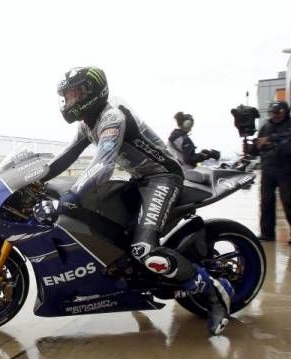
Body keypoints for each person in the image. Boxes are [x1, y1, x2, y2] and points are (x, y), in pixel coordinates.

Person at [33, 66, 234, 335]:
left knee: (143, 249)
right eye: (66, 96)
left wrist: (69, 196)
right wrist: (36, 179)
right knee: (103, 223)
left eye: (74, 94)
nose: (69, 101)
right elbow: (67, 156)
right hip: (139, 178)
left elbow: (102, 166)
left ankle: (214, 292)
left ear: (92, 92)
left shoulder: (112, 117)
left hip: (162, 177)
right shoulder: (88, 122)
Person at [245, 101, 291, 243]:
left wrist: (270, 140)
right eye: (273, 113)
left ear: (285, 112)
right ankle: (267, 233)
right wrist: (250, 148)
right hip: (268, 170)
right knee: (266, 202)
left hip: (286, 170)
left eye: (278, 113)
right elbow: (257, 150)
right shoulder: (265, 127)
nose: (275, 115)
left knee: (289, 201)